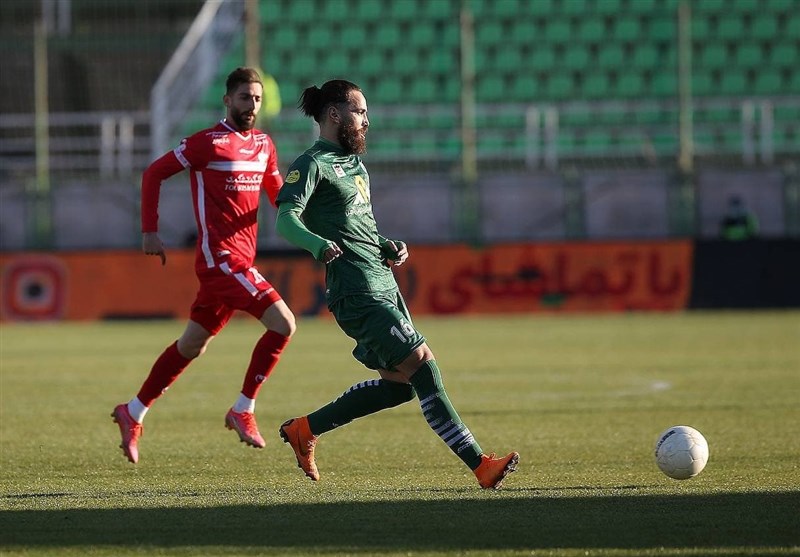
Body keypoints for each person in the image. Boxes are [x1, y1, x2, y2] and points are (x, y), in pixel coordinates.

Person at [274, 80, 519, 489]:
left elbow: (358, 224)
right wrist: (317, 245)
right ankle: (480, 465)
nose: (366, 120)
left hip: (383, 282)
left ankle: (305, 429)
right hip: (356, 291)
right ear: (334, 114)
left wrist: (385, 244)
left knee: (400, 387)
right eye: (360, 112)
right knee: (423, 364)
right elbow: (286, 220)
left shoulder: (355, 165)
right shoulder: (313, 163)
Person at [111, 67, 296, 464]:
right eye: (245, 97)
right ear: (227, 100)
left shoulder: (264, 145)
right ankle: (243, 408)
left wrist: (309, 217)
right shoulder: (207, 143)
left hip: (240, 262)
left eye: (257, 99)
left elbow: (277, 196)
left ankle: (133, 411)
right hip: (220, 260)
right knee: (284, 323)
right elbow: (154, 173)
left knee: (192, 345)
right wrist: (149, 230)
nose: (252, 105)